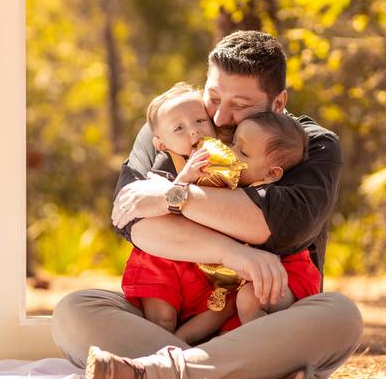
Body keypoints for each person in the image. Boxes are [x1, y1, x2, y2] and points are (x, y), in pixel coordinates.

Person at [50, 30, 363, 379]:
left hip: (267, 328)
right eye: (213, 96)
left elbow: (278, 223)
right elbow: (133, 222)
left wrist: (171, 195)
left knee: (340, 315)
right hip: (169, 324)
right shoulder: (171, 127)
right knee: (74, 310)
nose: (218, 115)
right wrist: (235, 254)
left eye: (241, 105)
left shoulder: (305, 145)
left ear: (278, 103)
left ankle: (148, 373)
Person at [121, 82, 320, 345]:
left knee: (238, 308)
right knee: (162, 317)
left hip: (246, 275)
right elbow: (135, 216)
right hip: (195, 263)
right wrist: (181, 182)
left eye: (200, 121)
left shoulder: (260, 183)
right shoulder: (166, 164)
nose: (231, 152)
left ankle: (261, 355)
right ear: (160, 142)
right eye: (234, 144)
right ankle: (173, 351)